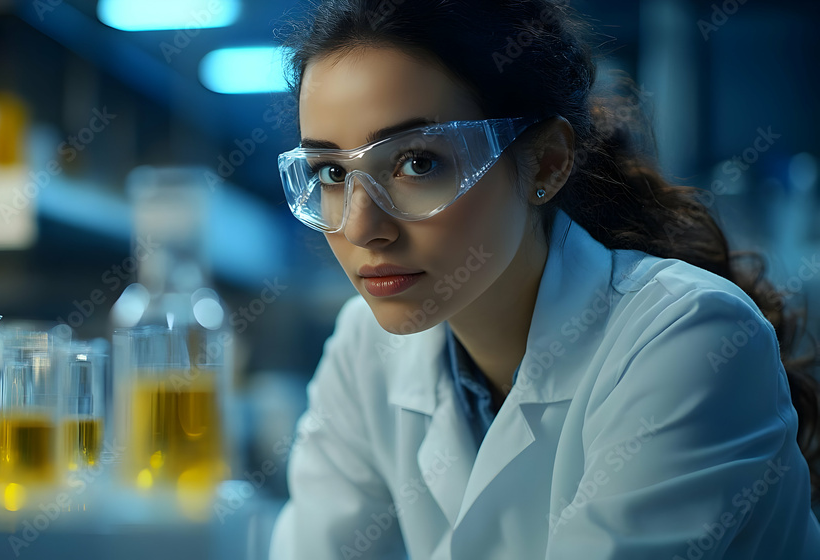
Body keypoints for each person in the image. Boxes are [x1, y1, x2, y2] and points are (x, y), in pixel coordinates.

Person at [268, 0, 820, 558]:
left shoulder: (687, 339)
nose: (362, 227)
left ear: (546, 162)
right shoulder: (365, 349)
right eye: (332, 173)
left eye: (418, 162)